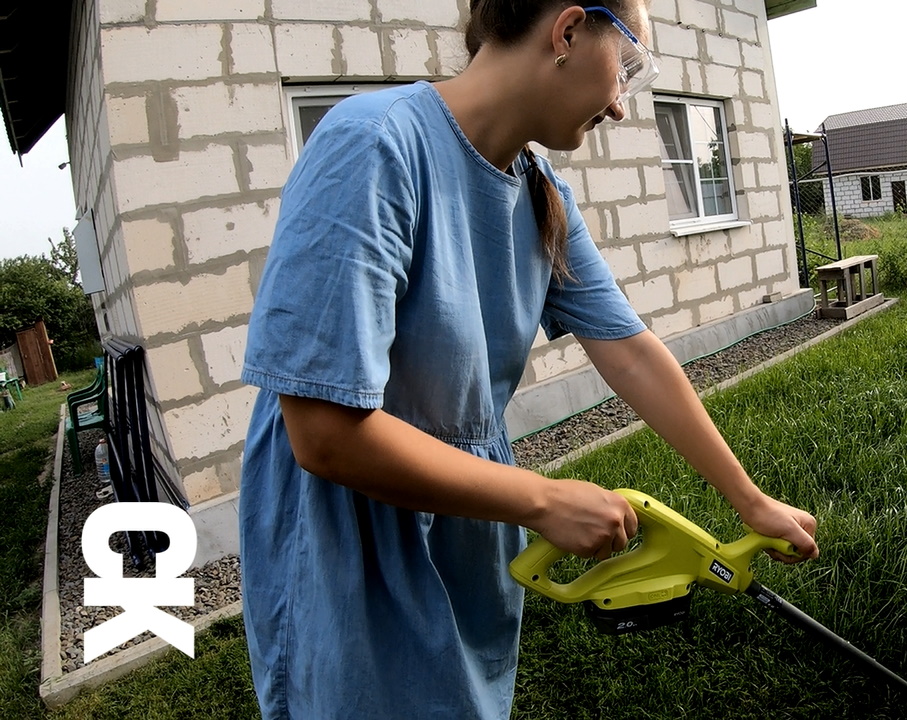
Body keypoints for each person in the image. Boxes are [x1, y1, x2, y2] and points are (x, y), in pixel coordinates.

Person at [238, 1, 820, 717]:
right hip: (350, 538)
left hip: (464, 514)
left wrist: (750, 502)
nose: (619, 106)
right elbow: (323, 433)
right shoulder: (372, 145)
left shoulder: (540, 192)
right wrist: (542, 500)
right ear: (569, 30)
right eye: (627, 65)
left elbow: (632, 354)